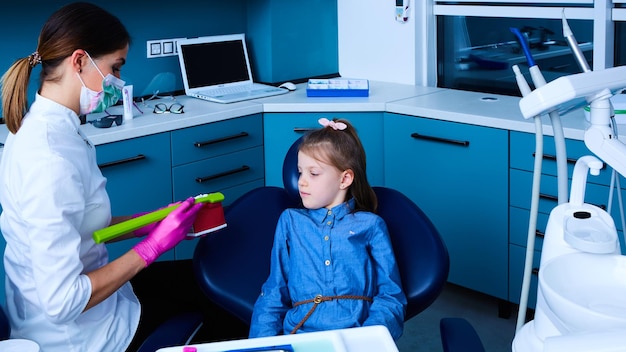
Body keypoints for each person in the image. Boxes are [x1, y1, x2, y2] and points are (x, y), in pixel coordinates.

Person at [0, 3, 202, 351]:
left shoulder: (53, 129)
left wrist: (152, 222)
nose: (119, 82)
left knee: (199, 276)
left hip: (104, 303)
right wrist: (152, 247)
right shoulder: (48, 159)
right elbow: (62, 301)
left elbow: (82, 226)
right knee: (212, 302)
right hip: (80, 335)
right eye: (115, 67)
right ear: (79, 61)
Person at [248, 117, 407, 340]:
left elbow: (390, 296)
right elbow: (274, 291)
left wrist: (368, 340)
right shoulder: (290, 221)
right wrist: (261, 345)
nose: (301, 181)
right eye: (300, 171)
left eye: (313, 173)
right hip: (299, 334)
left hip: (356, 336)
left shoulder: (370, 225)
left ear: (345, 179)